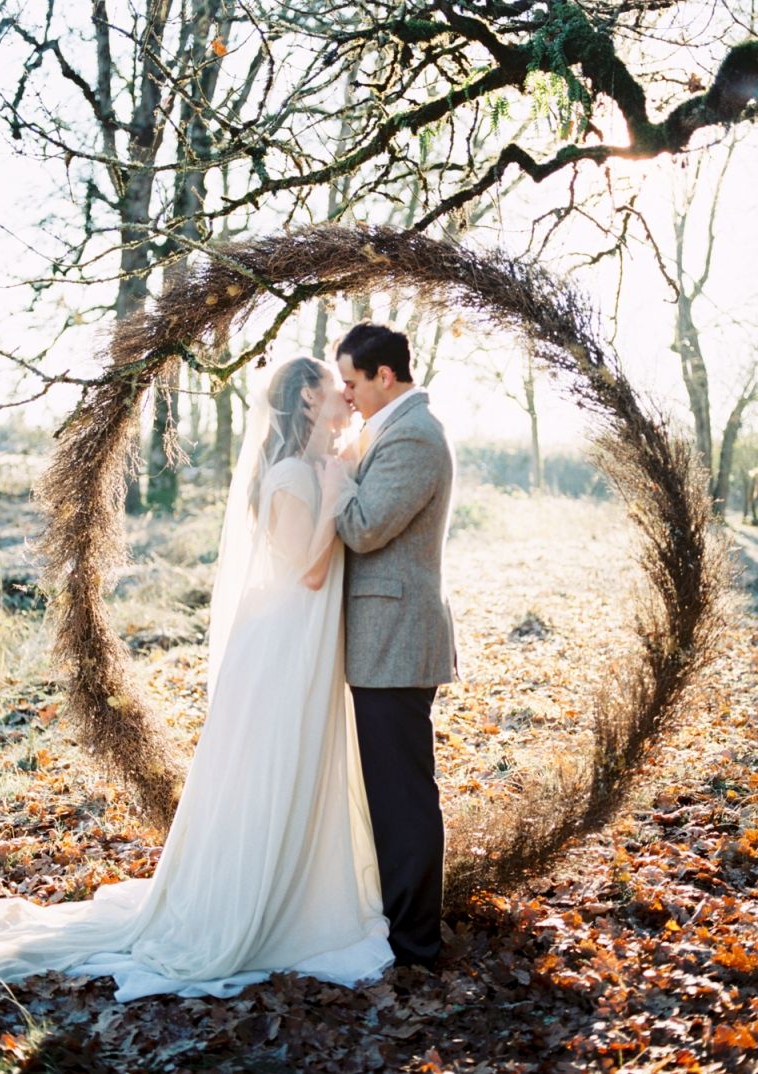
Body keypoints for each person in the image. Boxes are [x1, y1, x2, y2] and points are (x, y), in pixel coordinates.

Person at [0, 357, 393, 1002]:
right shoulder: (292, 476)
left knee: (298, 763)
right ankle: (266, 898)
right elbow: (306, 570)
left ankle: (302, 883)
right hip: (282, 646)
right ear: (305, 400)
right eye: (333, 388)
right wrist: (333, 499)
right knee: (276, 765)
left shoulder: (318, 463)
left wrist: (345, 470)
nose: (344, 397)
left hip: (303, 640)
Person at [335, 322, 456, 970]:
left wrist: (316, 478)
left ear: (385, 375)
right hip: (381, 638)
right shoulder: (387, 430)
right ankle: (399, 926)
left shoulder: (413, 435)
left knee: (402, 797)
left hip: (397, 640)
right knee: (389, 793)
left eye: (353, 382)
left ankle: (416, 945)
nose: (347, 396)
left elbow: (363, 527)